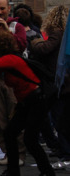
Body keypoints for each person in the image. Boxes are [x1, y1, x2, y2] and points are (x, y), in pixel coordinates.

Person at [0, 29, 56, 176]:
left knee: (30, 139)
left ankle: (48, 174)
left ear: (1, 46)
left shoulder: (11, 59)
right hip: (26, 101)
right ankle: (13, 171)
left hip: (37, 99)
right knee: (10, 133)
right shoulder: (1, 61)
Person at [0, 0, 27, 167]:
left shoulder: (17, 27)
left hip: (13, 79)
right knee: (0, 118)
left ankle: (20, 154)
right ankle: (8, 153)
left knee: (14, 116)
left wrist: (7, 30)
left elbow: (21, 45)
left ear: (9, 8)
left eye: (2, 9)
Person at [31, 5, 70, 164]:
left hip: (58, 81)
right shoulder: (64, 34)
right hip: (60, 80)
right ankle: (62, 148)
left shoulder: (57, 33)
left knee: (59, 117)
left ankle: (65, 150)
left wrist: (35, 42)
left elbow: (46, 48)